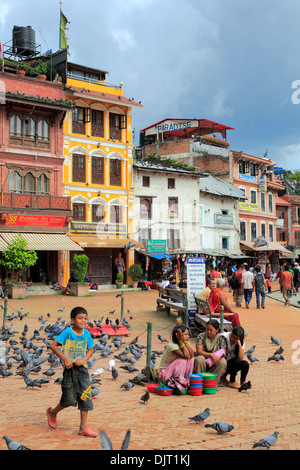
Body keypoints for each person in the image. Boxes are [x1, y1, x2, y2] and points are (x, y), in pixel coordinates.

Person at [46, 307, 97, 438]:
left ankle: (83, 427)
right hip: (69, 370)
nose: (83, 321)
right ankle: (52, 412)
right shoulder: (67, 332)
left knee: (85, 396)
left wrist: (83, 359)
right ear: (72, 320)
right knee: (68, 399)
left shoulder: (86, 333)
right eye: (80, 318)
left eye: (85, 318)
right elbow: (53, 346)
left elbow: (91, 349)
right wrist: (65, 359)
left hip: (83, 370)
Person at [159, 324, 194, 392]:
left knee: (191, 359)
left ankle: (186, 380)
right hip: (166, 373)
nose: (188, 336)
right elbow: (186, 356)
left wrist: (185, 343)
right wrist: (181, 341)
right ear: (178, 336)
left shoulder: (186, 343)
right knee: (182, 360)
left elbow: (191, 355)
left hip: (175, 369)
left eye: (188, 334)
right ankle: (178, 382)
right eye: (185, 334)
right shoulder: (172, 346)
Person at [193, 319, 227, 384]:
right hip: (203, 359)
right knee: (199, 359)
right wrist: (211, 355)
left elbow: (223, 351)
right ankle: (199, 382)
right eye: (207, 329)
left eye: (211, 330)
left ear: (217, 330)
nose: (208, 332)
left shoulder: (221, 338)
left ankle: (212, 383)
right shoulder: (201, 336)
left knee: (223, 362)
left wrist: (215, 357)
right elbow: (199, 351)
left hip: (214, 361)